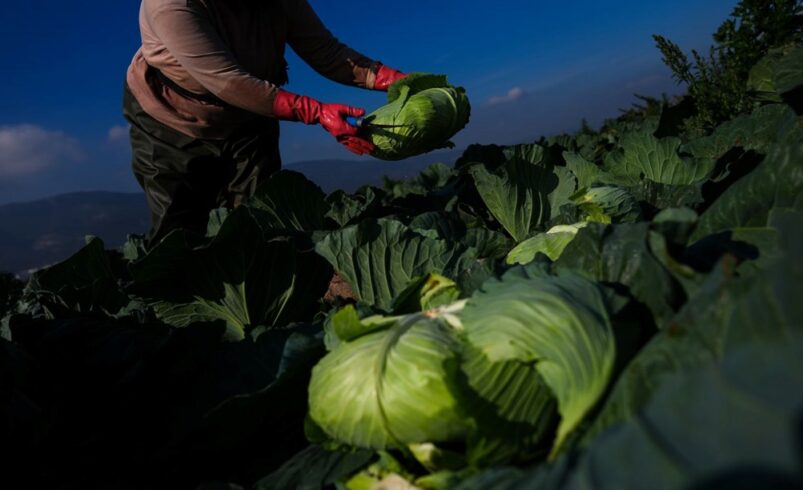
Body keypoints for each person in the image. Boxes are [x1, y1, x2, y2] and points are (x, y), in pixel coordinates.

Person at [123, 0, 407, 246]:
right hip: (172, 121)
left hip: (252, 114)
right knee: (178, 226)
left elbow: (327, 51)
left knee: (262, 215)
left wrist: (395, 79)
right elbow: (227, 81)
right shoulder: (169, 6)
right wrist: (317, 112)